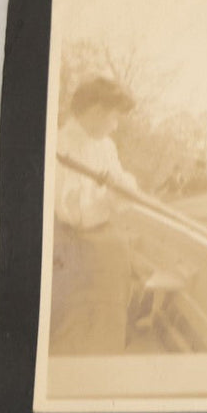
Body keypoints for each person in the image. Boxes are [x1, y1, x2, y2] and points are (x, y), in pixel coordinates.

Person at [50, 77, 138, 355]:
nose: (115, 125)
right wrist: (109, 198)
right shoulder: (58, 146)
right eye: (114, 117)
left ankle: (106, 349)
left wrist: (123, 189)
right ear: (97, 111)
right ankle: (77, 351)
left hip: (100, 233)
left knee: (120, 251)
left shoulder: (106, 146)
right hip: (67, 235)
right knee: (107, 252)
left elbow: (120, 193)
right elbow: (72, 213)